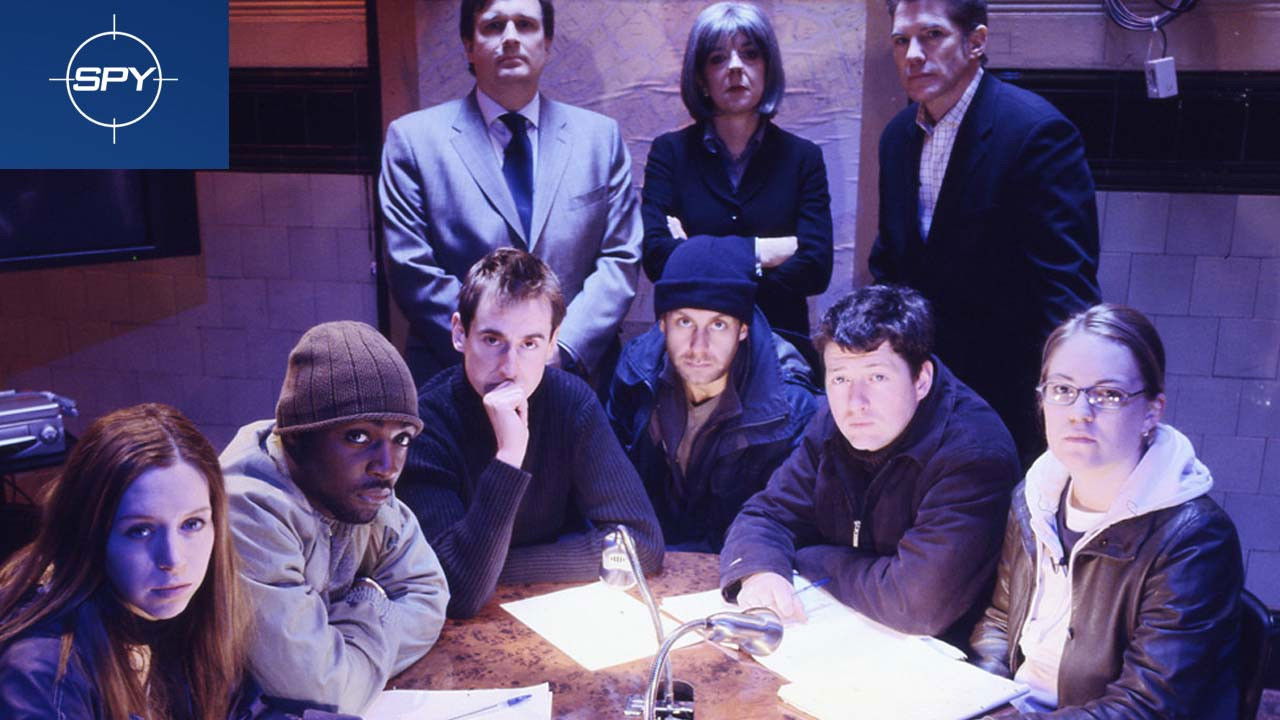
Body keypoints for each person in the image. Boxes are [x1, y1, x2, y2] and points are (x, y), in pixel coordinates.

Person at [970, 304, 1242, 718]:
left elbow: (1146, 705)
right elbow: (1001, 620)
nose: (1080, 412)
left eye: (1109, 394)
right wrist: (982, 700)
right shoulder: (1034, 498)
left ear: (1152, 411)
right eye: (1062, 389)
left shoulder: (1196, 540)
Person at [719, 285, 1019, 649]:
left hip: (940, 656)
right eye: (840, 378)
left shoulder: (973, 454)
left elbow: (916, 604)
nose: (855, 402)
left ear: (921, 380)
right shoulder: (833, 421)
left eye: (877, 377)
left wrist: (807, 558)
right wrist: (761, 571)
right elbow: (766, 515)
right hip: (843, 625)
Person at [869, 0, 1100, 467]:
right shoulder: (896, 137)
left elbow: (1066, 294)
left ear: (976, 42)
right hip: (922, 398)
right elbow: (891, 263)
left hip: (1009, 401)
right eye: (901, 40)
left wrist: (1058, 414)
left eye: (932, 35)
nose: (913, 54)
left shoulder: (1036, 132)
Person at [0, 404, 331, 720]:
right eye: (140, 530)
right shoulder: (43, 674)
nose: (173, 559)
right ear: (90, 534)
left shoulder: (171, 618)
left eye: (192, 524)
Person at [380, 0, 642, 386]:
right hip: (456, 378)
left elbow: (620, 258)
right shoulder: (413, 141)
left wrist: (558, 348)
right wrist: (496, 351)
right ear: (469, 45)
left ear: (546, 43)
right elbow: (411, 268)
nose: (510, 38)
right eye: (493, 26)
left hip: (575, 377)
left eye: (525, 24)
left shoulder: (600, 139)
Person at [399, 248, 663, 618]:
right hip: (459, 632)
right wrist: (509, 457)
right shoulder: (426, 425)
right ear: (460, 333)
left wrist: (496, 566)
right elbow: (457, 590)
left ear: (553, 342)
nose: (510, 368)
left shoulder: (571, 402)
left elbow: (640, 545)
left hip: (554, 614)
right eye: (493, 340)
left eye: (529, 344)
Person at [221, 321, 449, 714]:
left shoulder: (361, 490)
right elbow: (323, 691)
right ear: (296, 437)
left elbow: (430, 599)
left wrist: (339, 644)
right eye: (358, 437)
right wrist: (370, 600)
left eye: (402, 439)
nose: (387, 466)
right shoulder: (247, 510)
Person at [641, 1, 833, 365]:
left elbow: (815, 267)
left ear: (768, 68)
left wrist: (694, 254)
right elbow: (656, 258)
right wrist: (760, 254)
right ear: (701, 77)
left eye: (750, 54)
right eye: (717, 58)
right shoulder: (669, 153)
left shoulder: (803, 158)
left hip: (780, 351)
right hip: (691, 353)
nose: (734, 67)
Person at [605, 235, 818, 552]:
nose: (699, 347)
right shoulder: (636, 372)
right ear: (663, 324)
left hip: (735, 562)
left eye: (718, 325)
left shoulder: (791, 408)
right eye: (684, 322)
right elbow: (608, 486)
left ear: (742, 329)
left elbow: (784, 527)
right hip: (648, 556)